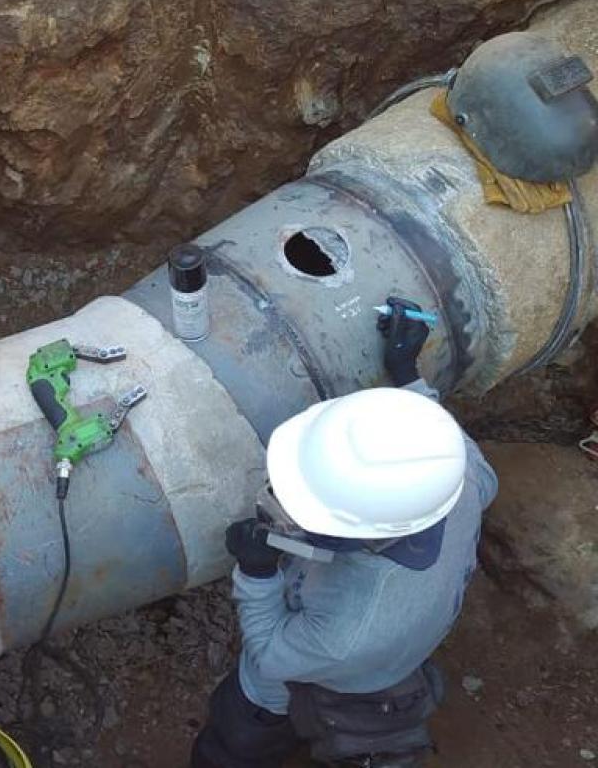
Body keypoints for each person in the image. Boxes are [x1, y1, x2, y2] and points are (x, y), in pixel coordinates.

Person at [192, 297, 499, 768]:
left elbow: (272, 655)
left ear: (369, 538)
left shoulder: (349, 627)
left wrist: (257, 576)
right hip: (394, 648)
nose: (282, 505)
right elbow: (430, 443)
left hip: (306, 685)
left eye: (308, 513)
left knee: (240, 738)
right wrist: (409, 377)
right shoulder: (458, 472)